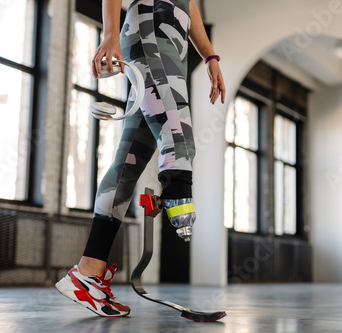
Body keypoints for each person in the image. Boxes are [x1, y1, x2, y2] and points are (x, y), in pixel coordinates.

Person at [55, 0, 225, 317]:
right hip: (151, 31)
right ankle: (178, 199)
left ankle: (87, 274)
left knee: (129, 162)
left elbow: (189, 5)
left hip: (170, 43)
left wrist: (210, 56)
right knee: (178, 137)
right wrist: (109, 33)